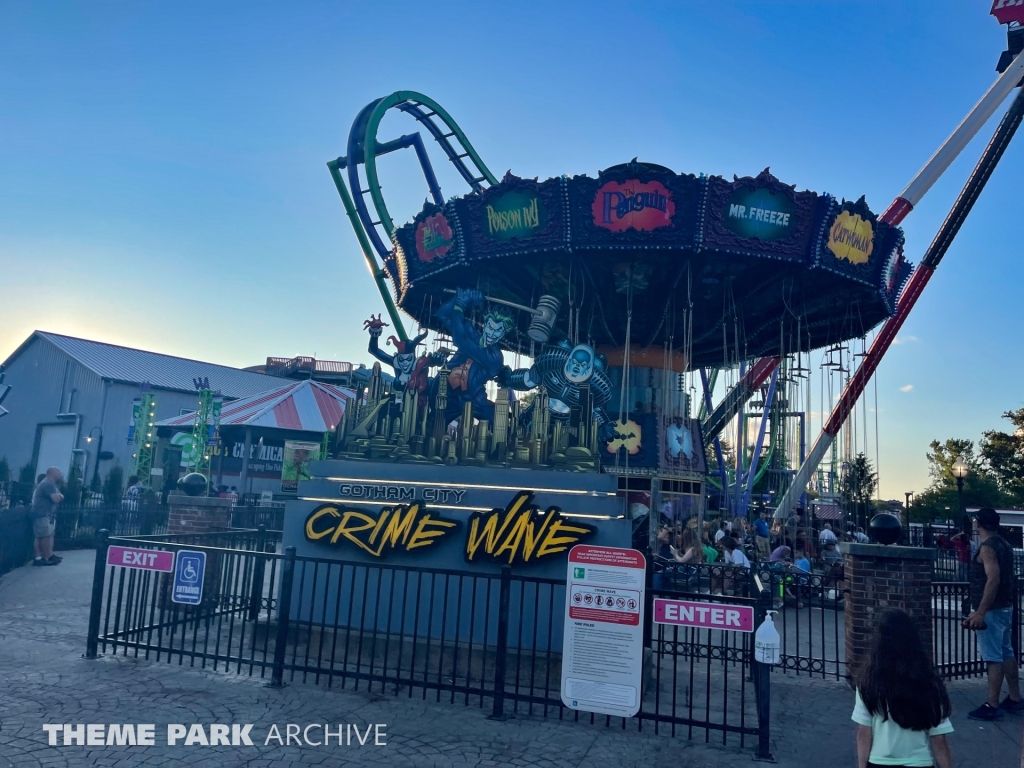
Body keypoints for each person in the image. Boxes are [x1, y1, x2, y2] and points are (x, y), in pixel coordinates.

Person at [852, 608, 953, 768]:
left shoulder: (869, 681)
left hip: (879, 762)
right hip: (919, 762)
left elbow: (864, 733)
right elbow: (939, 739)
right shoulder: (929, 682)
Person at [966, 507, 1024, 721]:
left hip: (990, 610)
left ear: (978, 523)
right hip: (1005, 606)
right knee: (1006, 651)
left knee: (992, 657)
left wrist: (980, 611)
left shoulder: (987, 548)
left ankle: (992, 703)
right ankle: (1015, 697)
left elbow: (993, 579)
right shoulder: (1004, 545)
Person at [30, 467, 63, 567]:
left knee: (48, 535)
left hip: (46, 514)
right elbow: (56, 499)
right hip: (41, 514)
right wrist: (61, 496)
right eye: (58, 471)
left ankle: (48, 555)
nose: (60, 473)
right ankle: (43, 558)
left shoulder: (50, 484)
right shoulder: (48, 484)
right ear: (51, 473)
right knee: (43, 536)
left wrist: (59, 495)